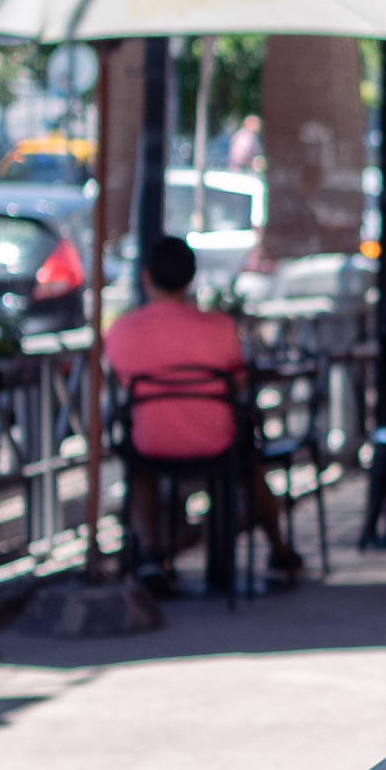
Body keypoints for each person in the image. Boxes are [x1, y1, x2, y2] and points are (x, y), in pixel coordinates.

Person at [104, 234, 304, 586]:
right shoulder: (220, 327)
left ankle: (149, 553)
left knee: (138, 468)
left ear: (146, 277)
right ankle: (279, 547)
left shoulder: (122, 330)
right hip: (217, 444)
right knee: (249, 464)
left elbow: (123, 383)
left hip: (152, 444)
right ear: (191, 279)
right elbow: (239, 382)